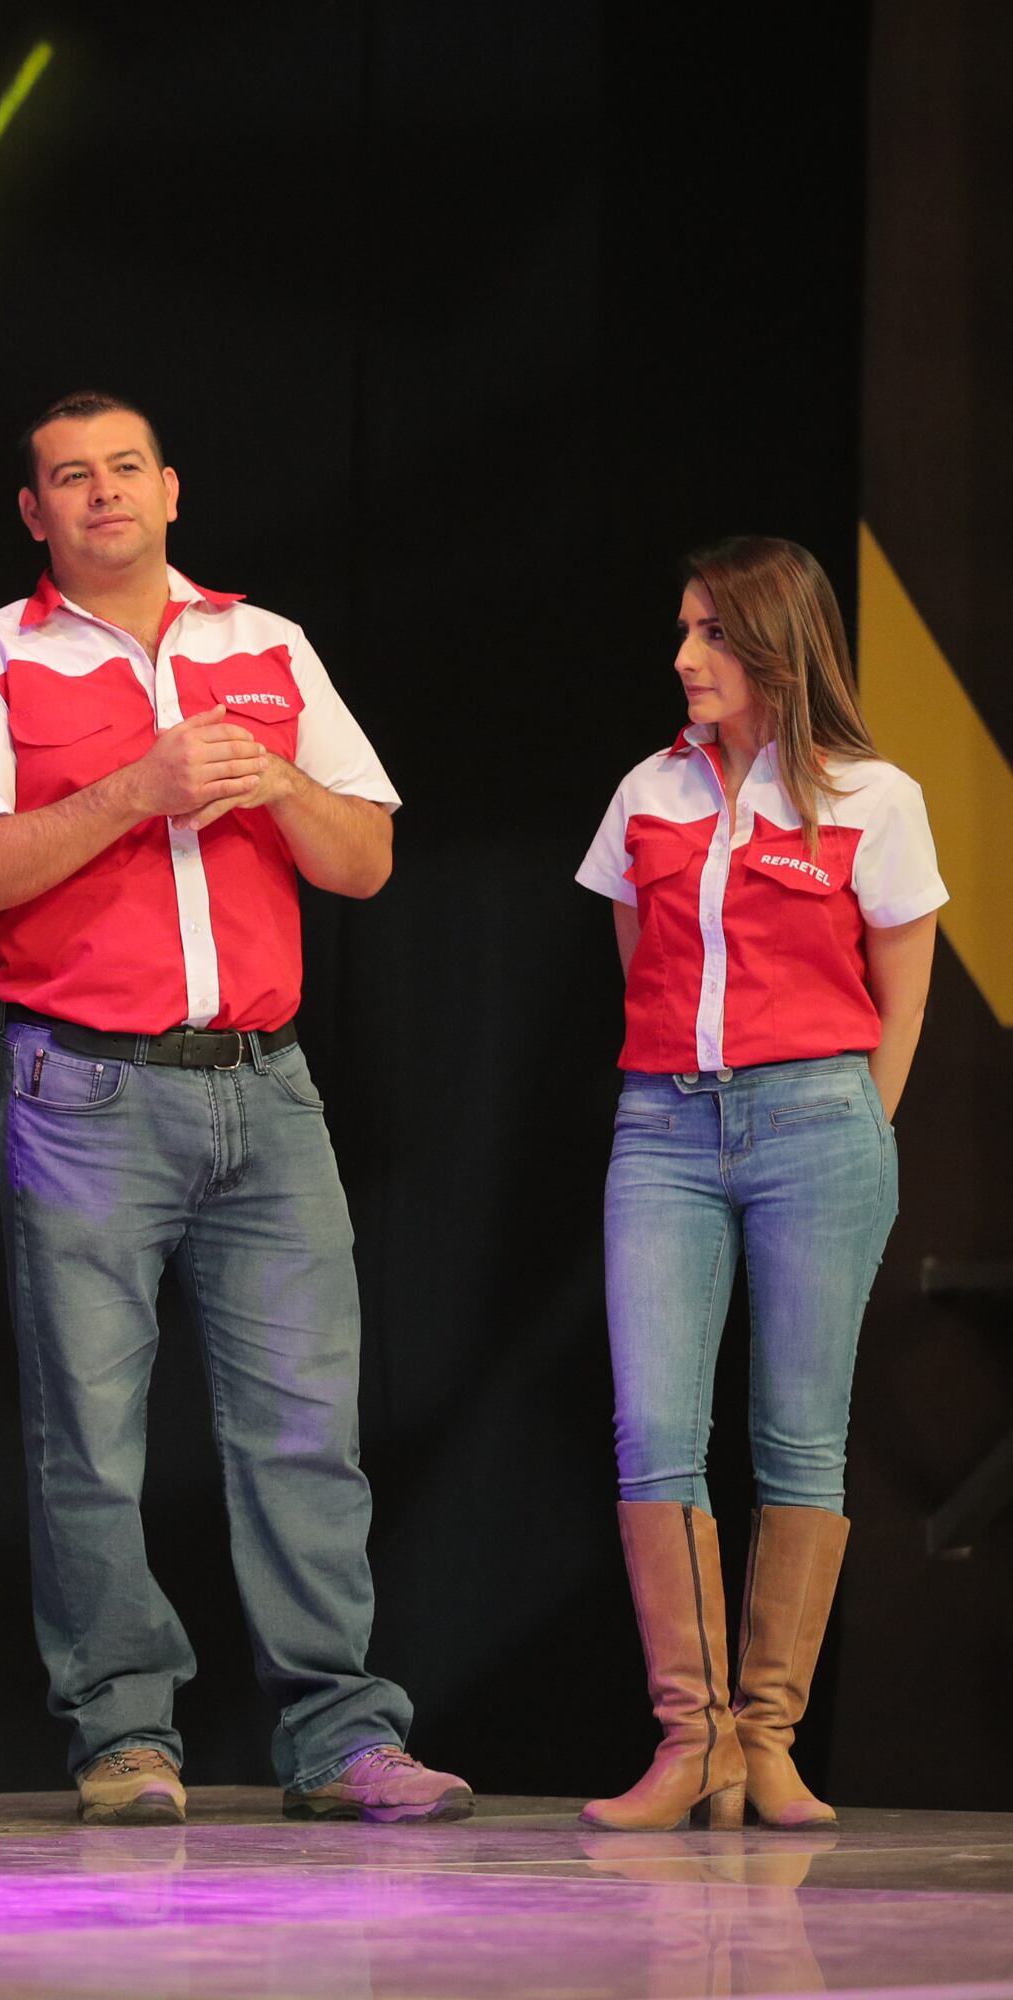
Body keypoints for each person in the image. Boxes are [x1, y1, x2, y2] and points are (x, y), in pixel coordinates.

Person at [0, 390, 471, 1825]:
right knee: (91, 1437)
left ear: (171, 489)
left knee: (306, 1429)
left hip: (266, 1088)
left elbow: (364, 861)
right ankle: (124, 1735)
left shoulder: (265, 643)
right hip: (85, 1090)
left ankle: (339, 1735)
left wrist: (272, 776)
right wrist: (138, 789)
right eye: (69, 477)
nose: (103, 493)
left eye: (125, 469)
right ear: (33, 512)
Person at [574, 537, 944, 1834]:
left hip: (818, 1125)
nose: (686, 656)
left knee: (800, 1435)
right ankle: (692, 1742)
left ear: (781, 645)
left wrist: (854, 1131)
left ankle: (769, 1739)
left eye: (714, 633)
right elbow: (641, 962)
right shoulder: (647, 791)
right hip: (665, 1127)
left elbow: (903, 994)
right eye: (685, 630)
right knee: (654, 1429)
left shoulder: (874, 796)